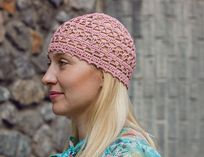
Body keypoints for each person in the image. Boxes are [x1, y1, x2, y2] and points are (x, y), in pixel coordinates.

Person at [42, 13, 161, 157]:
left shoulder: (128, 153)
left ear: (103, 76)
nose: (46, 78)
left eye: (62, 63)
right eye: (50, 63)